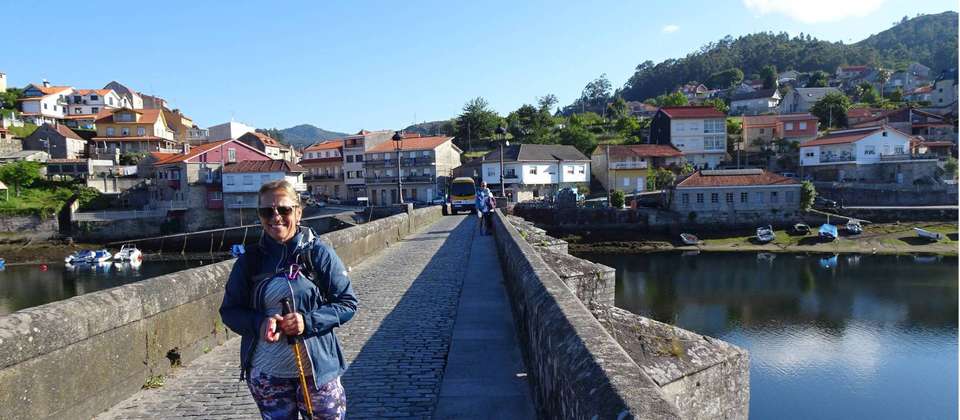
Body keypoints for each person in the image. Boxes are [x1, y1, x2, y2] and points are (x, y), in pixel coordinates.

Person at [220, 180, 358, 420]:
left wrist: (307, 321)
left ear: (298, 211)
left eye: (284, 209)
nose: (276, 217)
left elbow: (346, 303)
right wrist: (259, 323)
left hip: (318, 373)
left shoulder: (318, 254)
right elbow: (230, 311)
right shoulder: (250, 261)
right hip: (268, 373)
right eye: (267, 211)